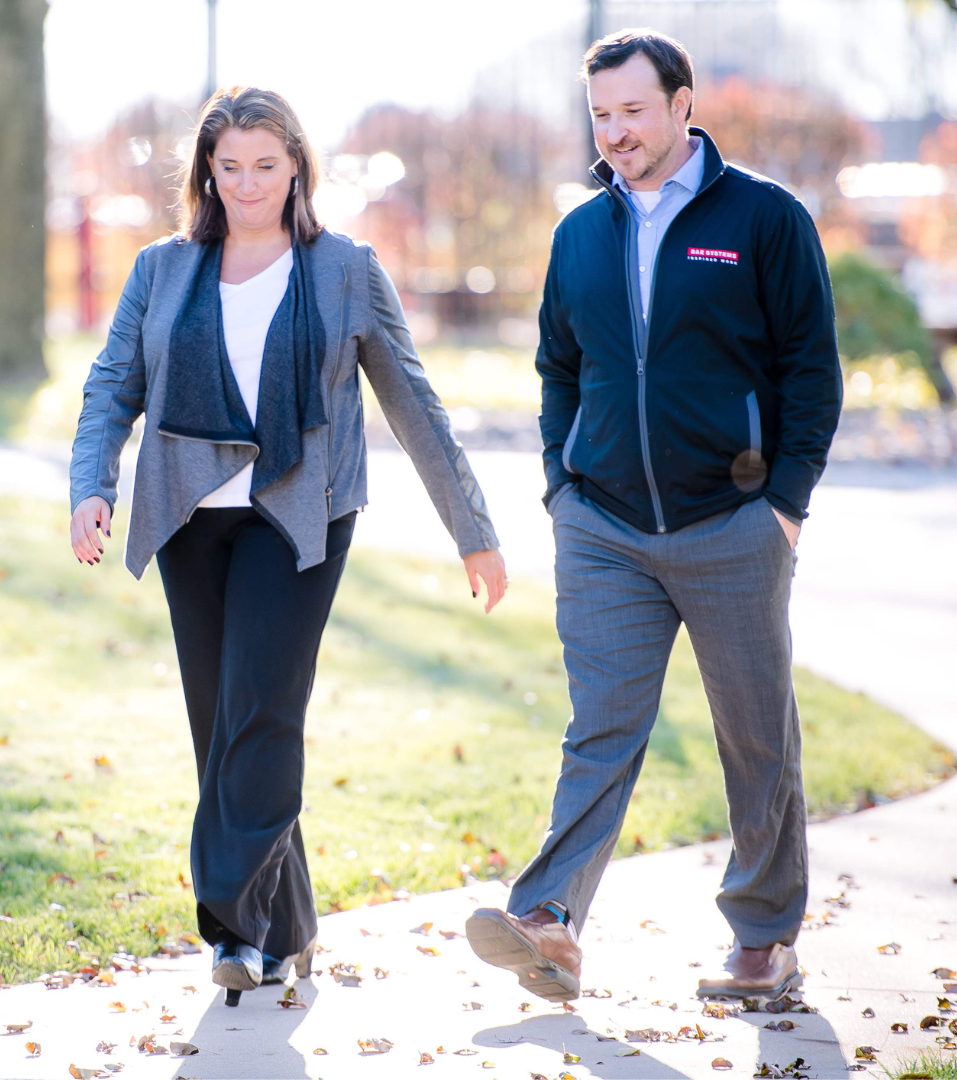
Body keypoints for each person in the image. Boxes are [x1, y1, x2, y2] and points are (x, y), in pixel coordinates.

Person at [69, 86, 506, 1006]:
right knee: (223, 726)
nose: (247, 184)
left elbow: (412, 402)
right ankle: (291, 929)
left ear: (298, 166)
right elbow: (113, 385)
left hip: (301, 514)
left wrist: (473, 530)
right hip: (190, 516)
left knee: (262, 706)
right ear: (207, 171)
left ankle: (229, 924)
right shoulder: (163, 269)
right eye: (229, 166)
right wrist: (92, 489)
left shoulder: (344, 268)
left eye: (266, 165)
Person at [465, 29, 841, 1003]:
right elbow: (559, 367)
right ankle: (548, 921)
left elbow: (811, 370)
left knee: (755, 733)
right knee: (602, 723)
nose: (616, 131)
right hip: (603, 526)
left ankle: (764, 937)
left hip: (734, 521)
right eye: (601, 114)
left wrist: (785, 508)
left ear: (682, 105)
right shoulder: (580, 232)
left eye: (633, 111)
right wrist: (560, 486)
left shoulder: (762, 219)